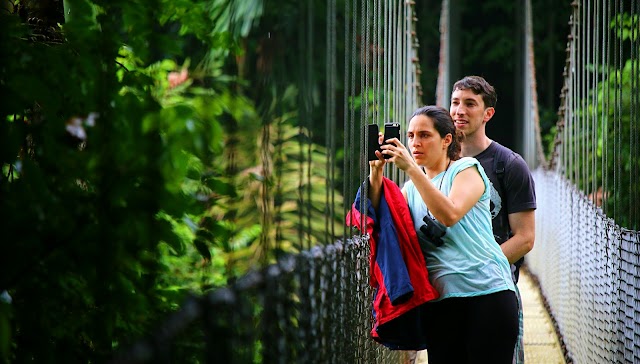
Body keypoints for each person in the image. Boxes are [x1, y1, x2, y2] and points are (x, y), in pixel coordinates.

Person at [370, 105, 518, 363]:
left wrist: (411, 169)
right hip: (439, 302)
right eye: (411, 135)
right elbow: (378, 217)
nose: (416, 143)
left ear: (446, 140)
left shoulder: (466, 170)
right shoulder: (408, 190)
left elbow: (449, 214)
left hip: (488, 296)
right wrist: (376, 170)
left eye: (425, 135)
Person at [450, 75, 536, 363]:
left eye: (470, 104)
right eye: (455, 103)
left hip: (495, 289)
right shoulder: (439, 162)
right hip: (448, 291)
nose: (459, 111)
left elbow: (525, 238)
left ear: (488, 113)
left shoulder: (510, 166)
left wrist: (478, 269)